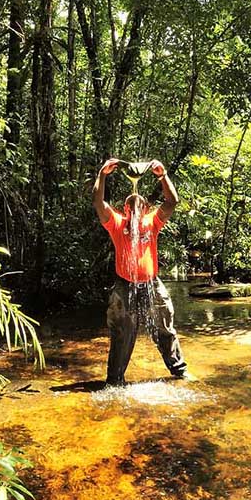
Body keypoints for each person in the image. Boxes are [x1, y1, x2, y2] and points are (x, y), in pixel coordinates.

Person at [92, 157, 188, 384]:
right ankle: (115, 382)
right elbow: (98, 202)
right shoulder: (116, 224)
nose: (135, 208)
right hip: (125, 286)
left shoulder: (152, 222)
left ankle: (180, 372)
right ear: (125, 209)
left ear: (145, 209)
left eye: (140, 205)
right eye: (130, 205)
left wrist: (162, 175)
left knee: (165, 329)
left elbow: (172, 201)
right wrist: (103, 174)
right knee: (122, 334)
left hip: (152, 283)